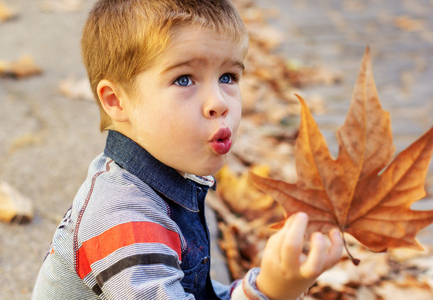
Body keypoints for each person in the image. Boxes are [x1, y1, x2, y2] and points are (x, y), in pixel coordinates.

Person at [32, 0, 343, 299]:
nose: (220, 102)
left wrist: (268, 288)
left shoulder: (163, 183)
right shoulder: (123, 220)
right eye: (184, 79)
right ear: (116, 100)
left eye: (228, 77)